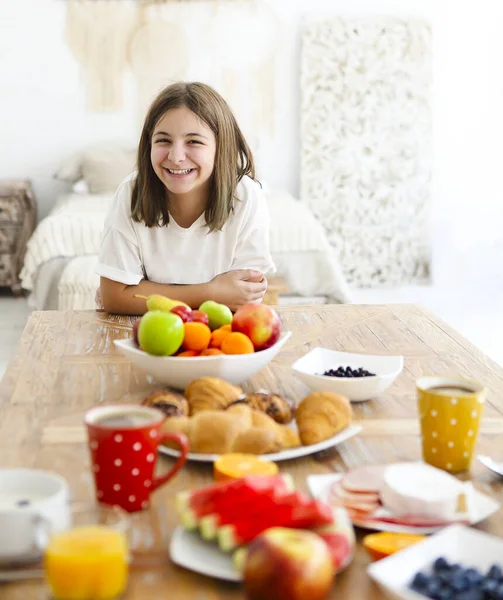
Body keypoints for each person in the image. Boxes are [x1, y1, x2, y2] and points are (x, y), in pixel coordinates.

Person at [97, 81, 276, 315]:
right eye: (163, 140)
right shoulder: (132, 193)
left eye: (194, 141)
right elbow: (114, 297)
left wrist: (140, 293)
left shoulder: (246, 197)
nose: (176, 156)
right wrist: (211, 293)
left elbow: (243, 298)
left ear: (220, 147)